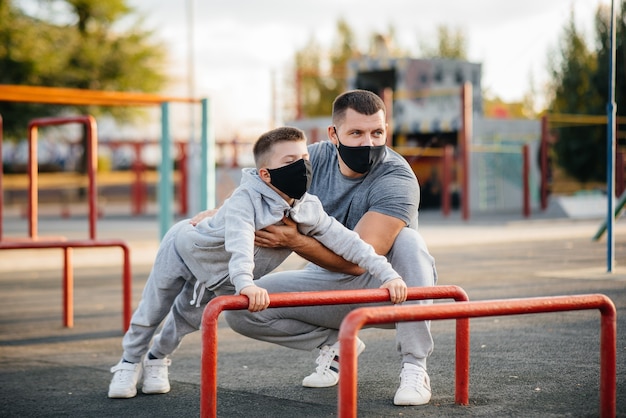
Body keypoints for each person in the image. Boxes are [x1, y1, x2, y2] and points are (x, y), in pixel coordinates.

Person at [108, 126, 407, 399]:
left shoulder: (306, 208)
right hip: (186, 248)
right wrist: (245, 284)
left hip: (225, 278)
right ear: (266, 174)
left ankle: (156, 359)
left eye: (304, 158)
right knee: (154, 308)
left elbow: (350, 243)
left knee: (187, 318)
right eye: (290, 160)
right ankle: (129, 362)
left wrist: (388, 275)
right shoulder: (245, 200)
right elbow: (238, 242)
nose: (301, 167)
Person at [222, 89, 437, 406]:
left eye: (377, 132)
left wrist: (295, 240)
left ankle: (415, 367)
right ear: (333, 134)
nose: (368, 143)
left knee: (409, 241)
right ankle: (338, 343)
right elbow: (259, 189)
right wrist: (218, 212)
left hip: (389, 290)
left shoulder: (397, 177)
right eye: (356, 133)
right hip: (325, 278)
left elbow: (358, 263)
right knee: (240, 308)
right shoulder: (312, 159)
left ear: (386, 131)